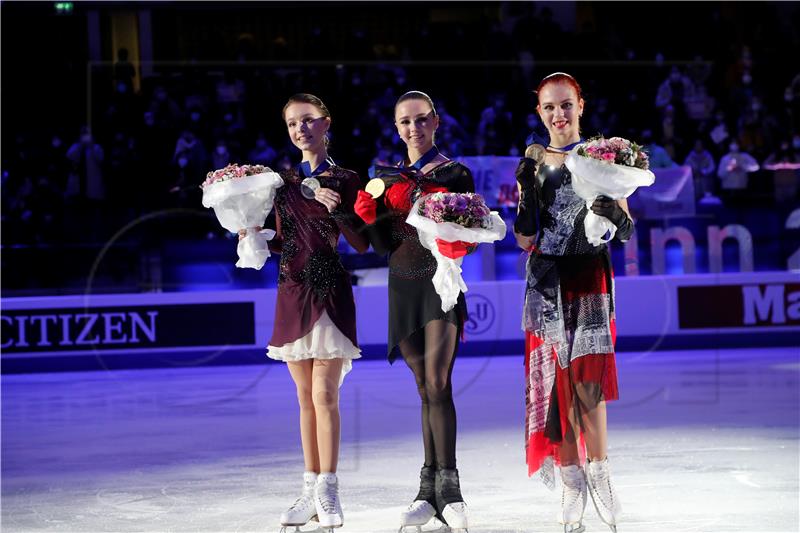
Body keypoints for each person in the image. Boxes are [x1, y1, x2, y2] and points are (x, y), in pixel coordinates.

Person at [242, 93, 369, 532]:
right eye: (293, 123)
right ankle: (310, 489)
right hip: (291, 291)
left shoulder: (348, 178)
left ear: (326, 123)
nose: (301, 129)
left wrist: (343, 213)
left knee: (325, 395)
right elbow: (284, 241)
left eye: (309, 120)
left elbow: (361, 244)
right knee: (303, 399)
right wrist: (253, 233)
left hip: (330, 291)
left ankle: (329, 492)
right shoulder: (281, 183)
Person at [514, 72, 632, 533]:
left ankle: (600, 474)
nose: (559, 114)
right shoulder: (534, 161)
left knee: (588, 384)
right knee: (556, 388)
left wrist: (612, 217)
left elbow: (626, 228)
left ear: (581, 105)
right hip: (546, 280)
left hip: (590, 277)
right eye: (549, 107)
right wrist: (526, 193)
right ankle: (571, 480)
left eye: (566, 105)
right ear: (539, 113)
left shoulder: (603, 156)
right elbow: (526, 237)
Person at [353, 91, 474, 532]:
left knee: (440, 381)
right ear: (396, 126)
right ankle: (428, 490)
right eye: (405, 122)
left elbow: (468, 239)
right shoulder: (386, 177)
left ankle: (452, 490)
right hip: (402, 284)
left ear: (436, 122)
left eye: (421, 120)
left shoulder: (456, 173)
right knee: (423, 386)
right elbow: (385, 247)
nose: (413, 128)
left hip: (440, 284)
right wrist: (368, 216)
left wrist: (456, 236)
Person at [717, 140, 759, 206]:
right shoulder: (725, 158)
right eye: (732, 144)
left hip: (742, 189)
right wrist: (729, 168)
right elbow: (720, 174)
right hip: (729, 190)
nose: (734, 146)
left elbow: (756, 167)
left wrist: (744, 167)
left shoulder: (745, 156)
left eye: (736, 144)